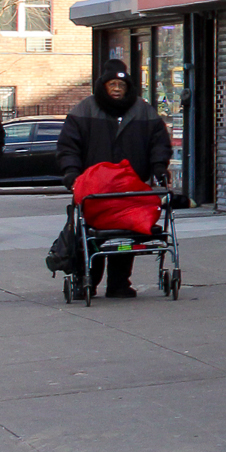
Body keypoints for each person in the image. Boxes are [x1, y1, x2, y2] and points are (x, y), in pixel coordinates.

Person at [56, 60, 174, 298]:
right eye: (113, 84)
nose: (117, 88)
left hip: (130, 188)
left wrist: (159, 167)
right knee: (91, 236)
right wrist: (71, 172)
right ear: (103, 85)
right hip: (94, 189)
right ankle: (86, 281)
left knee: (126, 236)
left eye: (122, 84)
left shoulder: (143, 111)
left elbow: (159, 143)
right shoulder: (84, 110)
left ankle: (119, 283)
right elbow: (68, 146)